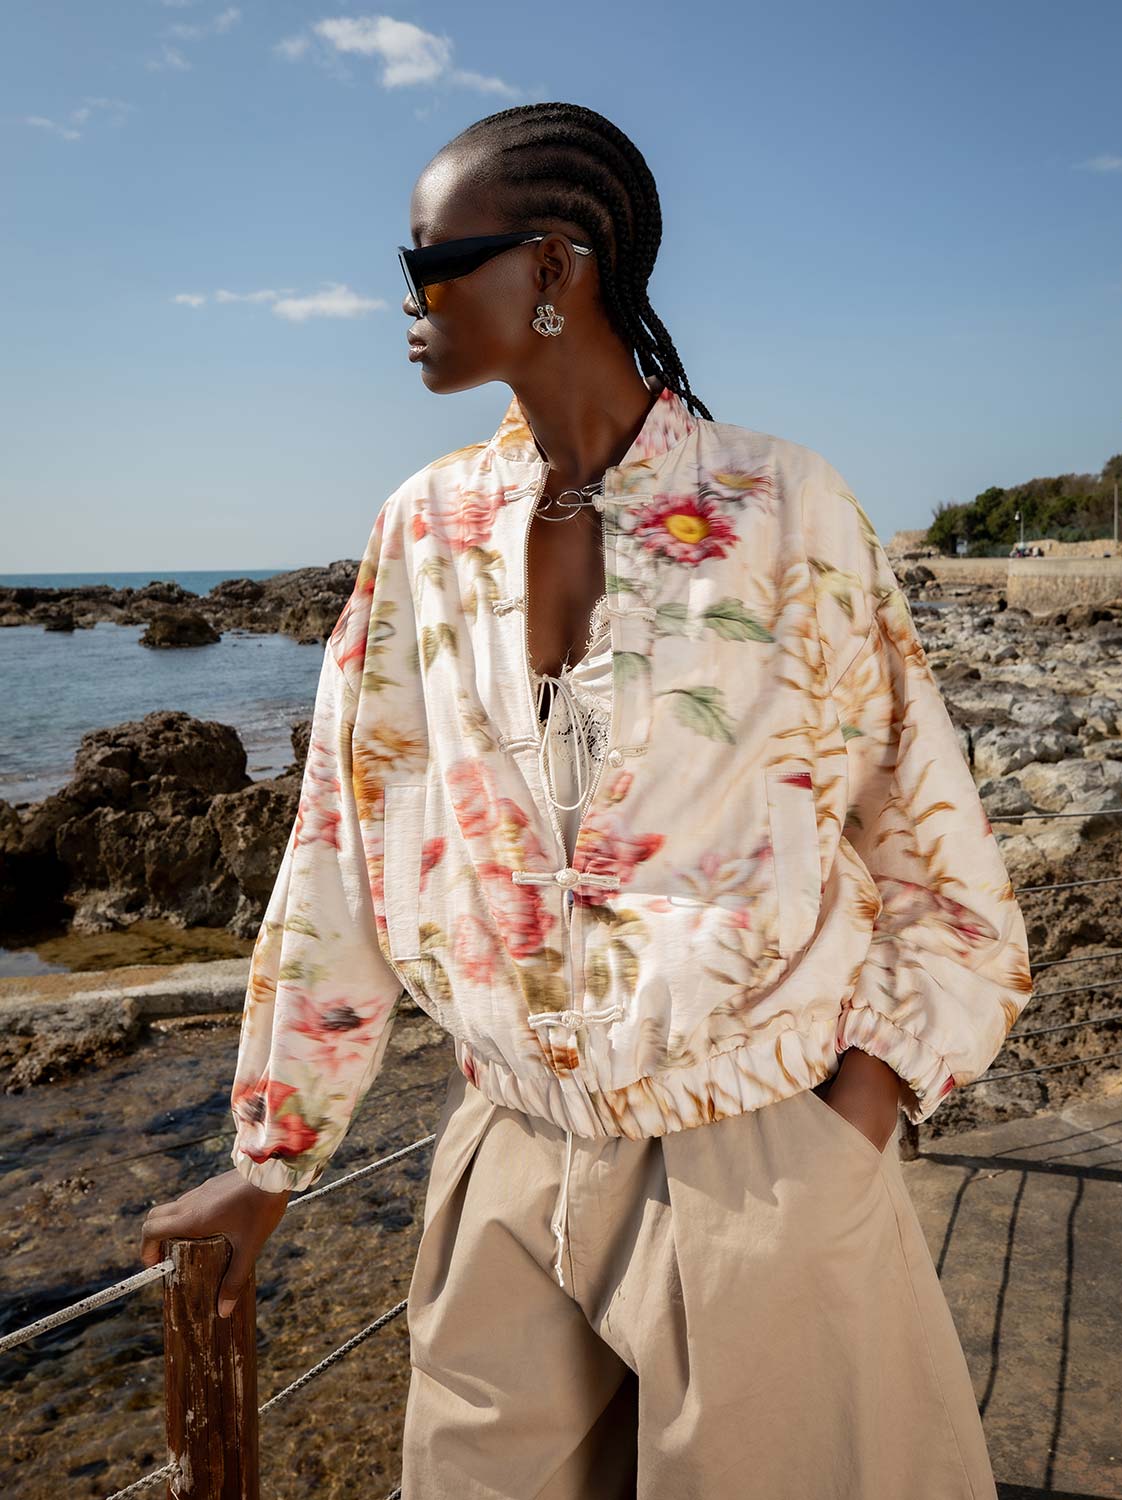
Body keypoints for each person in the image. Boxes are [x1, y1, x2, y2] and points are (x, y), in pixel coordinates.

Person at [141, 100, 1033, 1498]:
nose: (407, 304)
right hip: (505, 1160)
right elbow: (341, 841)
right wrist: (273, 1156)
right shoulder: (422, 529)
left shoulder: (786, 507)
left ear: (551, 268)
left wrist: (858, 1118)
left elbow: (925, 835)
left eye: (431, 265)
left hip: (763, 1159)